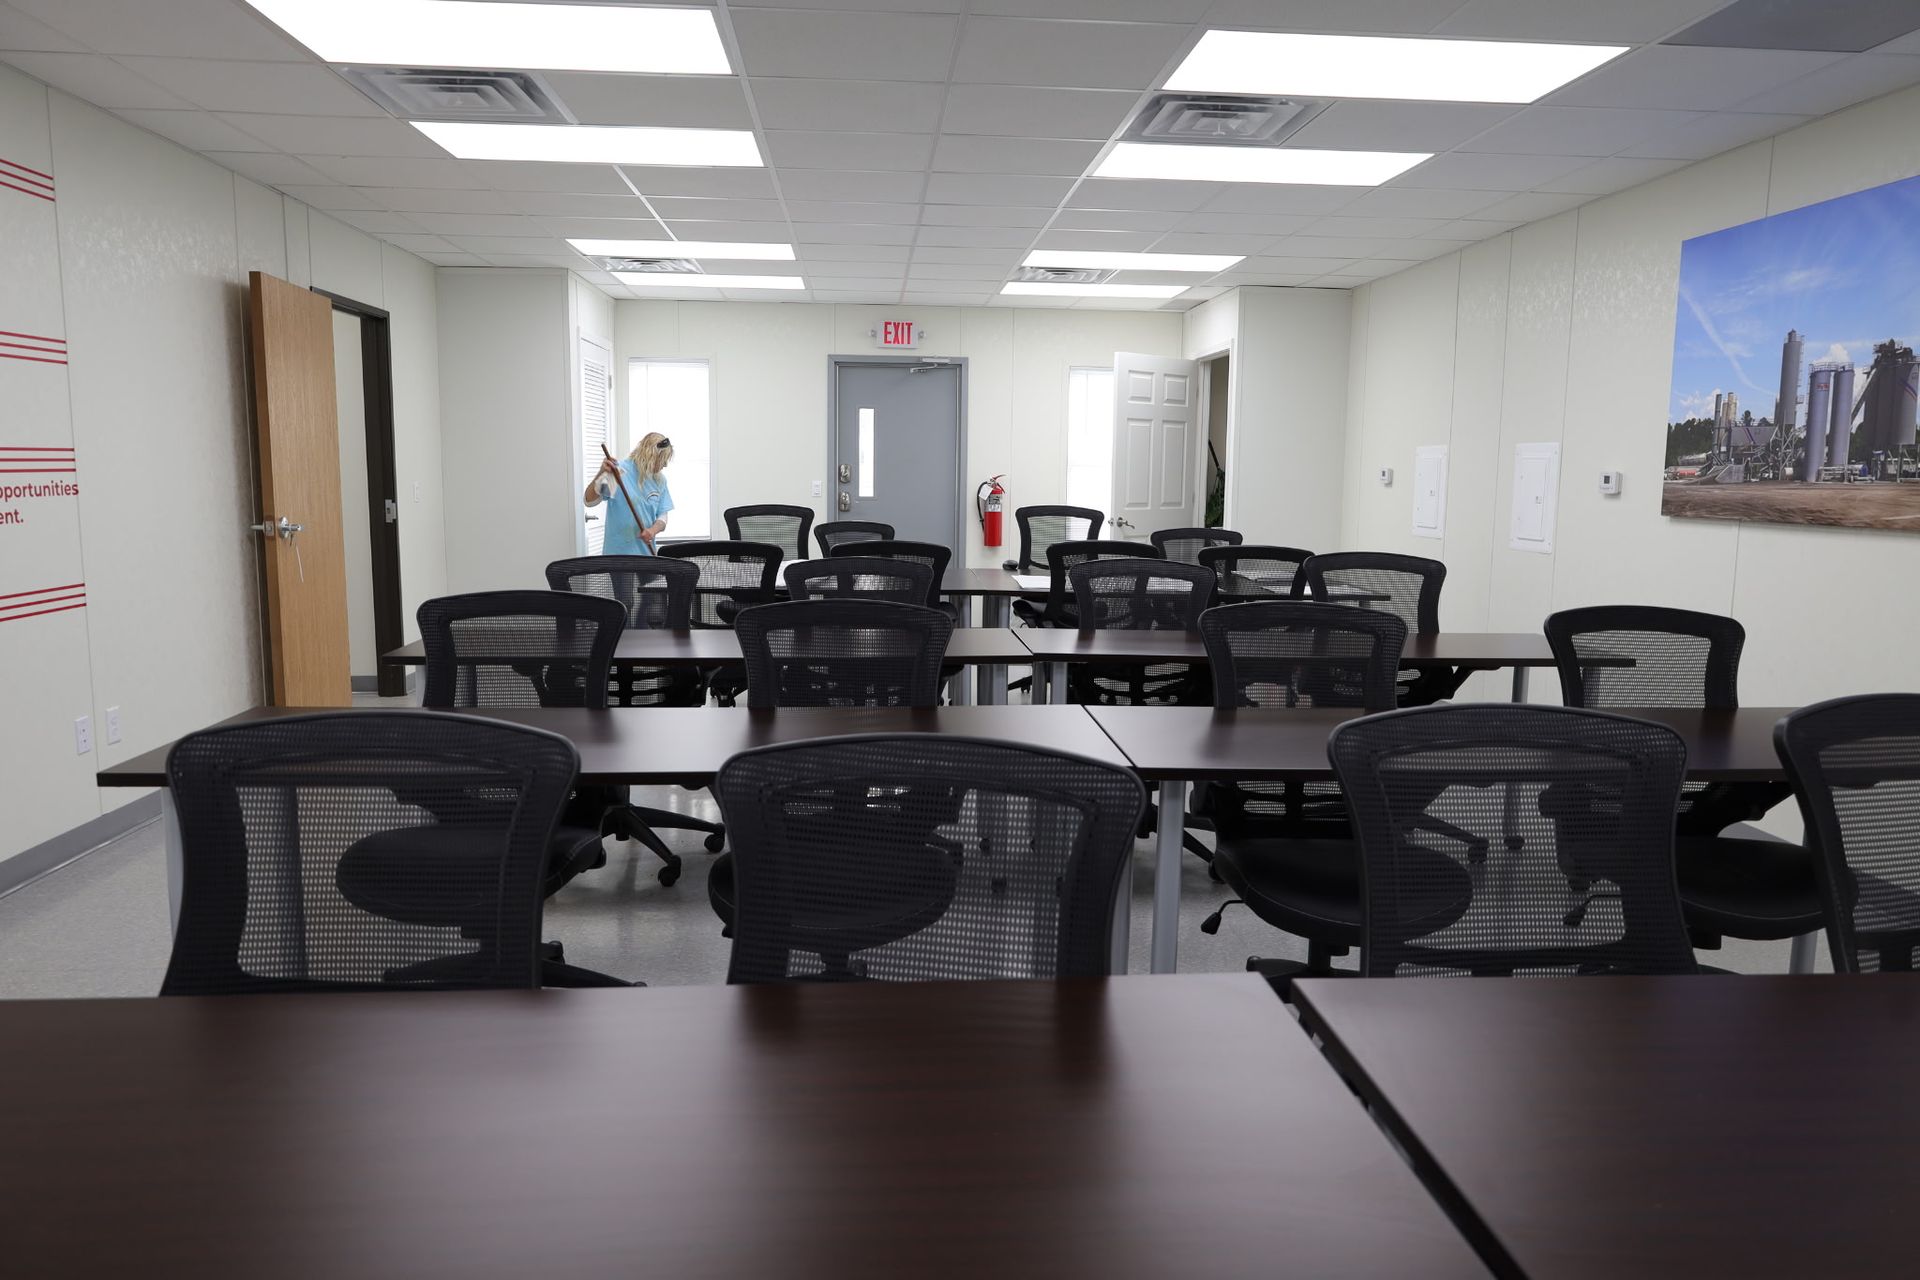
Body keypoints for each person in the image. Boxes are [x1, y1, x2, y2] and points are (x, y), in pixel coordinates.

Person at [587, 432, 674, 554]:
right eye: (663, 459)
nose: (665, 464)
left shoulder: (659, 480)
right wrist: (601, 473)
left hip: (647, 554)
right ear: (651, 454)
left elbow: (662, 516)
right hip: (619, 556)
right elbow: (590, 501)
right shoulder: (619, 472)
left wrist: (652, 531)